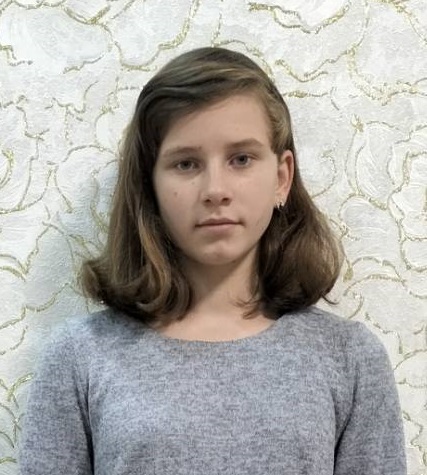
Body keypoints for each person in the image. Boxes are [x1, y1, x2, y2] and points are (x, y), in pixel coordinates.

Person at [19, 47, 407, 474]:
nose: (215, 189)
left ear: (282, 178)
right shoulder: (80, 357)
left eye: (241, 159)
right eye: (186, 164)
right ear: (150, 185)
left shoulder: (350, 358)